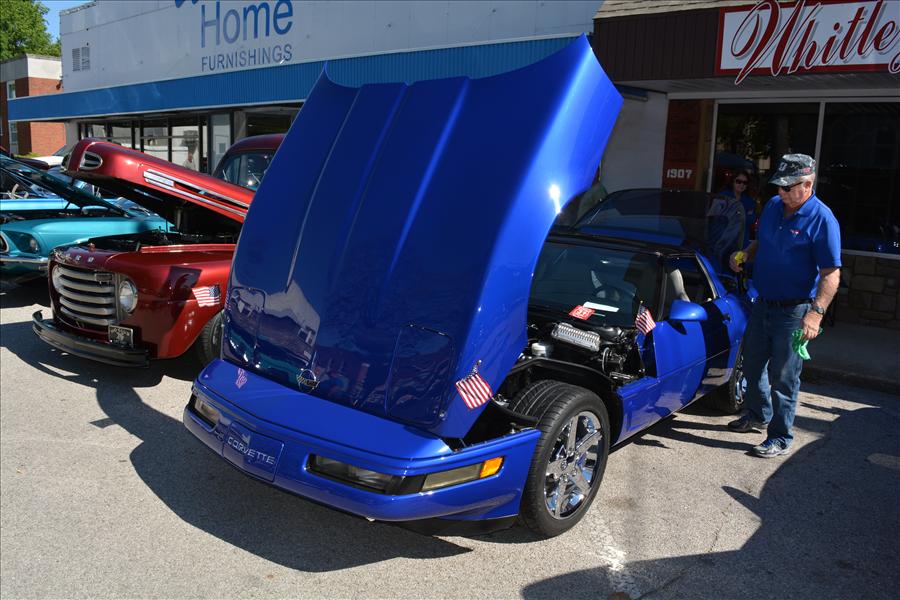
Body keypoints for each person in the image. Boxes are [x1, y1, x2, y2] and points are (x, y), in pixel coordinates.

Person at [726, 154, 841, 458]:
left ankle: (779, 436)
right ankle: (758, 414)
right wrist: (745, 254)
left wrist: (816, 314)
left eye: (788, 187)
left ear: (808, 184)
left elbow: (831, 273)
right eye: (779, 186)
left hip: (795, 311)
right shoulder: (774, 206)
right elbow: (761, 242)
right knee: (751, 365)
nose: (781, 192)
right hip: (763, 302)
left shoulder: (823, 219)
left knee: (784, 377)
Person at [721, 169, 756, 245]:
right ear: (733, 181)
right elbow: (720, 219)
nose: (741, 185)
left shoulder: (749, 201)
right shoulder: (723, 197)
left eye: (745, 182)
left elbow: (751, 220)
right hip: (724, 242)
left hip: (742, 242)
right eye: (738, 181)